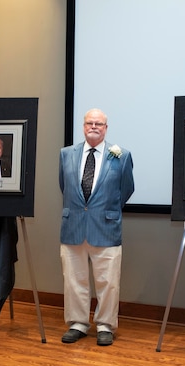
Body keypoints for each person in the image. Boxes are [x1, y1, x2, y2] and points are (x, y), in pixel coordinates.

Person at [58, 108, 134, 346]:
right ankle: (78, 323)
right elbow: (65, 186)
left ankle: (105, 325)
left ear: (106, 128)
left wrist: (105, 210)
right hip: (73, 227)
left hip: (106, 227)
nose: (93, 126)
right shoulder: (66, 154)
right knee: (73, 280)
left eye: (98, 124)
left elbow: (126, 189)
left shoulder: (121, 156)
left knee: (108, 281)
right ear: (83, 126)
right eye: (89, 122)